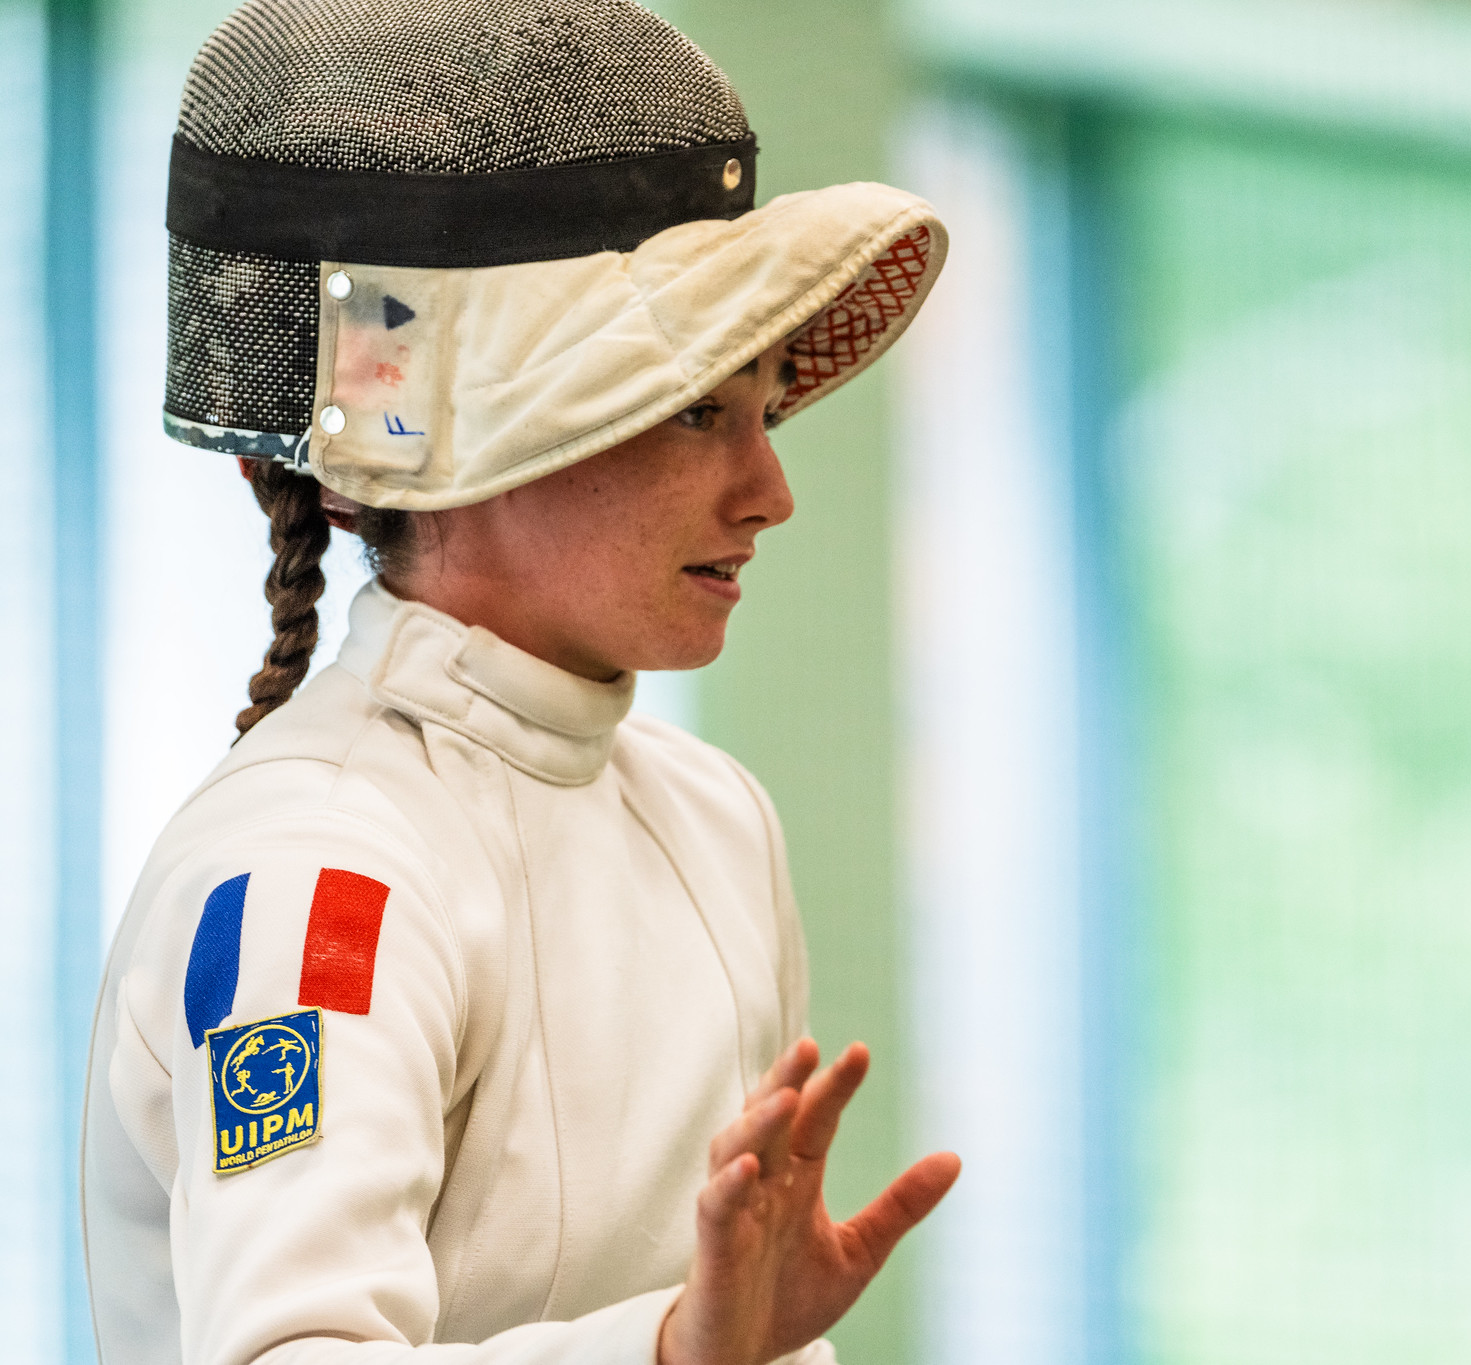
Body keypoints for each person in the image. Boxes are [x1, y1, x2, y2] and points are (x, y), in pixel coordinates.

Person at [79, 2, 955, 1362]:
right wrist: (673, 1349)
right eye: (694, 410)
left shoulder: (714, 819)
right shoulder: (319, 879)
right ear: (465, 435)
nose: (768, 490)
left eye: (764, 406)